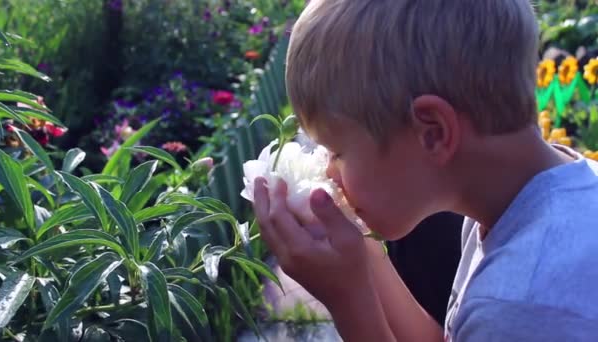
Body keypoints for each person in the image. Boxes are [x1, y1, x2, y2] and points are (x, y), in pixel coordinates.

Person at [251, 0, 598, 341]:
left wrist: (348, 301)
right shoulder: (518, 204)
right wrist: (363, 258)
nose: (330, 172)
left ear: (432, 132)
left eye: (338, 152)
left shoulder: (522, 308)